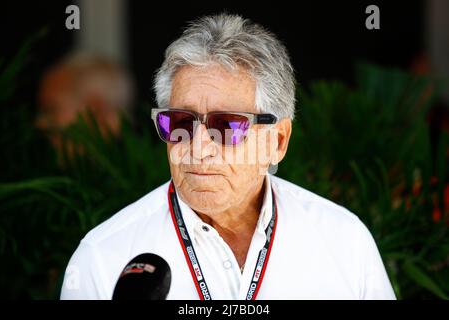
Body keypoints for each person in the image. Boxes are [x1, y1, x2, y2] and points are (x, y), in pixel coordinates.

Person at [60, 13, 396, 300]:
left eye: (227, 125)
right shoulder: (103, 257)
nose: (198, 147)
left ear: (277, 141)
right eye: (181, 122)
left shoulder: (345, 242)